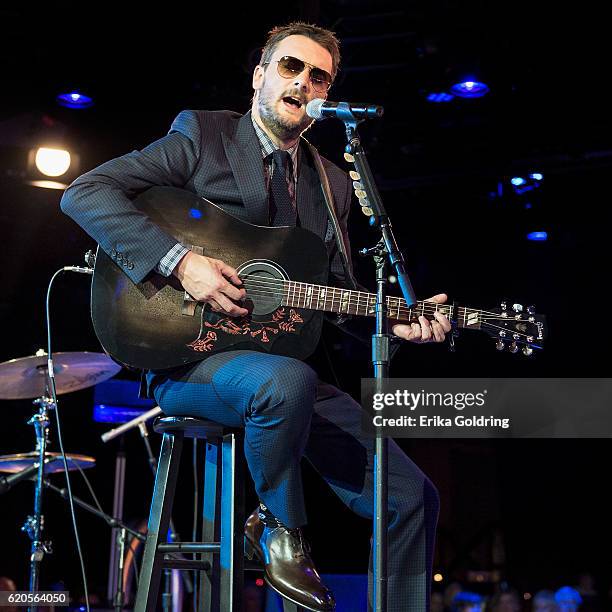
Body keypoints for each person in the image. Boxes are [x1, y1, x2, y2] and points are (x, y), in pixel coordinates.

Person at [60, 21, 450, 611]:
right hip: (189, 362)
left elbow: (333, 293)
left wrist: (392, 321)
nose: (304, 81)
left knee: (412, 497)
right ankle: (280, 531)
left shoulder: (335, 182)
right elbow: (86, 192)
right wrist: (180, 260)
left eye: (320, 75)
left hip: (282, 369)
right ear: (260, 76)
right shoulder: (203, 135)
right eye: (292, 67)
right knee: (285, 382)